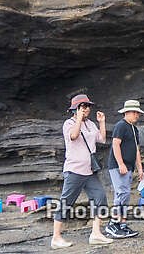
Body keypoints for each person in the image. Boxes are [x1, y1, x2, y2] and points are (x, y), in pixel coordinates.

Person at [51, 92, 113, 249]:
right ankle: (56, 238)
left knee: (100, 197)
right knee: (66, 202)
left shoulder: (91, 124)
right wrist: (78, 118)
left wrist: (102, 122)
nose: (86, 109)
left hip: (89, 171)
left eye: (88, 106)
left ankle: (96, 234)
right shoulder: (68, 124)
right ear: (75, 109)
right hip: (74, 170)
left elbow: (102, 139)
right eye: (83, 107)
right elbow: (73, 135)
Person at [106, 99, 144, 239]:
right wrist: (120, 163)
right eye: (135, 112)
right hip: (118, 166)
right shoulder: (120, 125)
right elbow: (116, 144)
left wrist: (140, 169)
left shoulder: (134, 129)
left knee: (126, 194)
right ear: (127, 112)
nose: (137, 115)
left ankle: (122, 224)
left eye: (138, 112)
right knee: (121, 192)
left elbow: (137, 150)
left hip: (129, 166)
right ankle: (112, 224)